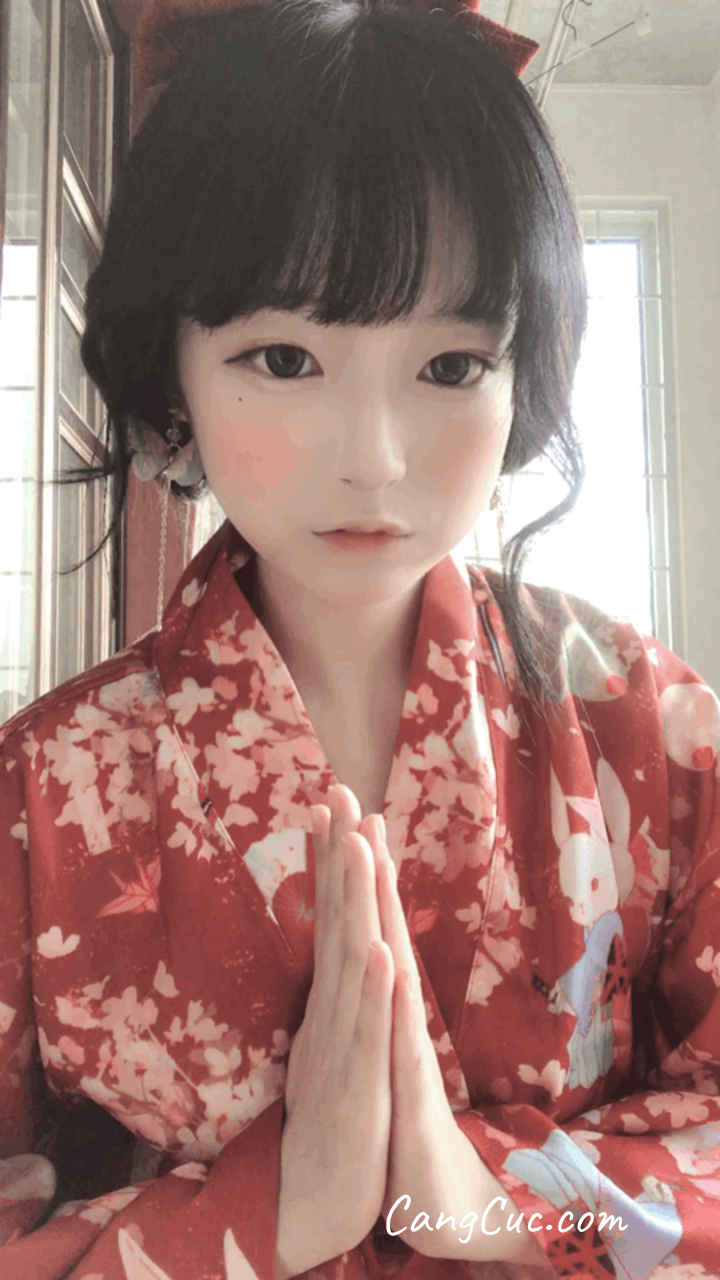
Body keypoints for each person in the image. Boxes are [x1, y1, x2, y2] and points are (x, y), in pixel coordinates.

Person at [0, 0, 718, 1277]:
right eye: (285, 357)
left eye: (450, 367)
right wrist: (265, 1214)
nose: (376, 458)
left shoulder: (651, 731)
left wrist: (492, 1197)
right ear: (174, 369)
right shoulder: (40, 796)